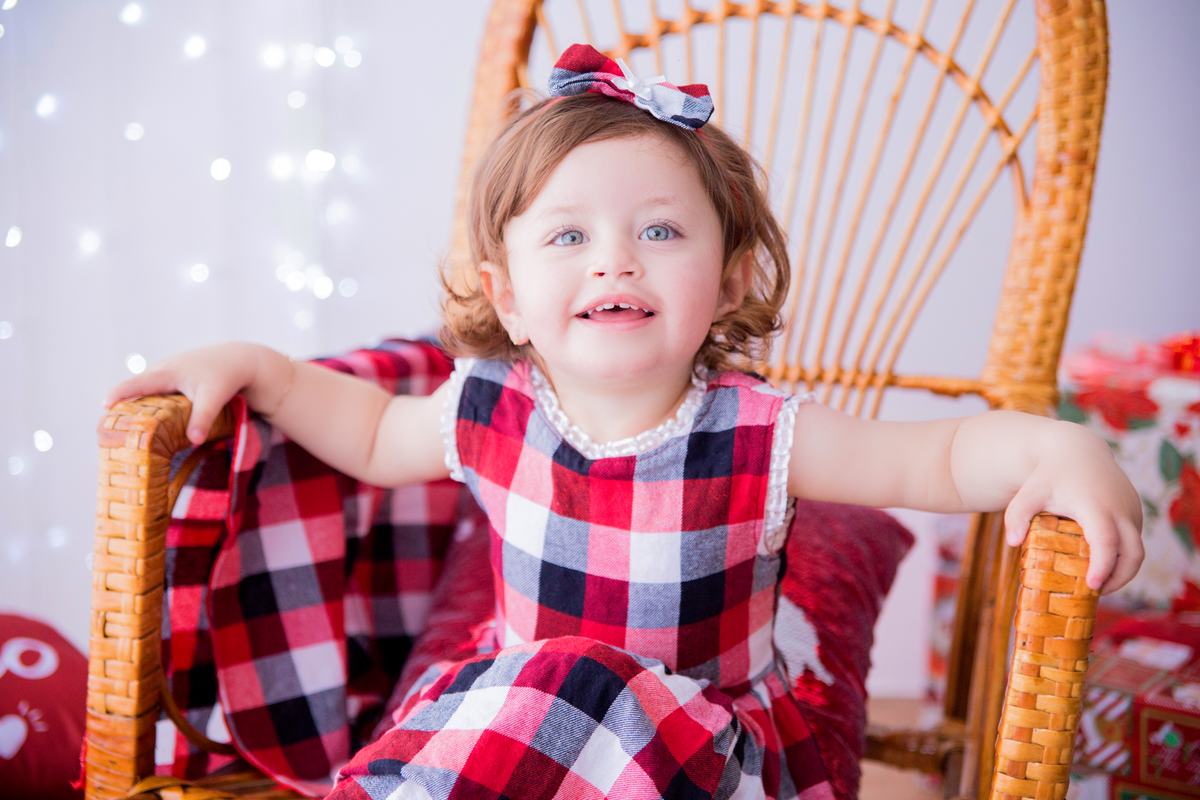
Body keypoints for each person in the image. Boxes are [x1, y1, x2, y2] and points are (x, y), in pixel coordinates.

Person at [105, 44, 1142, 800]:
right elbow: (372, 433)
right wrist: (262, 368)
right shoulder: (488, 405)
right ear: (505, 293)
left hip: (685, 751)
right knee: (525, 688)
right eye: (569, 234)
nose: (616, 259)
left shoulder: (756, 432)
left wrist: (1060, 442)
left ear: (732, 280)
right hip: (510, 735)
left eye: (659, 229)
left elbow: (943, 451)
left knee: (584, 679)